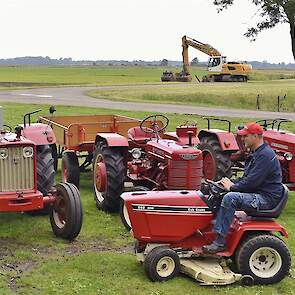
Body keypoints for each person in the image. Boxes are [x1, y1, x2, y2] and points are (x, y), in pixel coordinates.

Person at [202, 122, 284, 254]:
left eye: (245, 136)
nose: (242, 139)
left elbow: (251, 183)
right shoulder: (257, 153)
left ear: (255, 136)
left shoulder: (265, 156)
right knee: (218, 191)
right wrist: (227, 183)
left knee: (230, 198)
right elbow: (247, 179)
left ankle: (219, 242)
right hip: (258, 193)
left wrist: (232, 187)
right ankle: (208, 231)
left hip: (266, 199)